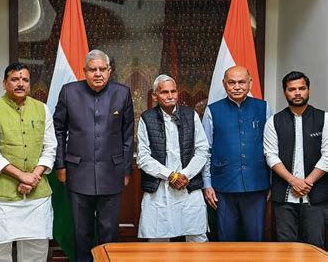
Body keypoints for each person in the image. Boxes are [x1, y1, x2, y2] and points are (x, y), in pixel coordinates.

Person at [53, 49, 134, 262]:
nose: (97, 74)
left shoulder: (122, 93)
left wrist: (126, 170)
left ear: (109, 71)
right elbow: (58, 130)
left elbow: (128, 135)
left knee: (109, 231)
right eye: (92, 69)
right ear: (84, 71)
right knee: (81, 232)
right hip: (78, 172)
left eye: (102, 69)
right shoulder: (69, 92)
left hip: (112, 173)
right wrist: (60, 166)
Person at [0, 63, 57, 262]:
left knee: (36, 251)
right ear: (5, 83)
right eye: (14, 79)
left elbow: (50, 147)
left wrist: (33, 177)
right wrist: (22, 176)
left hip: (37, 196)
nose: (20, 84)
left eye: (25, 80)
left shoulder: (42, 109)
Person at [202, 65, 272, 241]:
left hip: (257, 185)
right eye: (232, 82)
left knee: (256, 239)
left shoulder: (264, 108)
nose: (237, 86)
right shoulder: (212, 110)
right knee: (226, 241)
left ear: (250, 83)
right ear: (224, 84)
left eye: (242, 82)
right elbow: (205, 150)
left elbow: (271, 148)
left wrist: (271, 182)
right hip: (223, 187)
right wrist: (207, 184)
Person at [137, 75, 209, 242]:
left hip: (189, 186)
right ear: (155, 96)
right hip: (159, 187)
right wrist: (171, 176)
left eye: (173, 91)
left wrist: (185, 175)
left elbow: (202, 149)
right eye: (164, 92)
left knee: (197, 237)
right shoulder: (146, 118)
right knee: (157, 239)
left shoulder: (191, 115)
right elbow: (143, 157)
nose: (170, 96)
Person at [263, 71, 328, 249]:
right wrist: (293, 182)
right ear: (285, 92)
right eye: (292, 89)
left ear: (309, 90)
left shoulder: (324, 118)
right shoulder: (273, 121)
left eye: (302, 88)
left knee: (316, 247)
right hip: (284, 199)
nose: (297, 93)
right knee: (286, 249)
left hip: (317, 198)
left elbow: (327, 155)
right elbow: (271, 155)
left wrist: (306, 183)